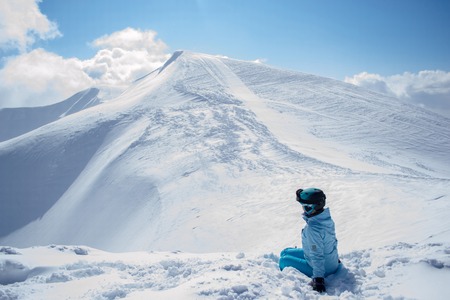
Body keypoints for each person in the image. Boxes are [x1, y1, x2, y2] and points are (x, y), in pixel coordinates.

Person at [279, 188, 340, 293]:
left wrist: (318, 279)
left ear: (317, 206)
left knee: (283, 260)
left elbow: (317, 255)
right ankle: (330, 262)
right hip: (330, 261)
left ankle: (320, 272)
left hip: (324, 268)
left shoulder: (313, 229)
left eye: (307, 208)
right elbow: (331, 241)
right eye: (303, 206)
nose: (304, 210)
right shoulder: (325, 219)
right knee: (284, 252)